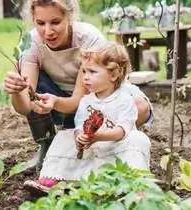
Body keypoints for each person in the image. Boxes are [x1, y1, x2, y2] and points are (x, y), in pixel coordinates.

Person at [3, 0, 153, 170]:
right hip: (61, 102)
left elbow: (79, 100)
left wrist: (57, 102)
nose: (48, 31)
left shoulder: (88, 39)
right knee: (35, 85)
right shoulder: (31, 43)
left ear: (70, 16)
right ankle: (47, 145)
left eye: (55, 22)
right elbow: (25, 107)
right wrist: (16, 91)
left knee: (139, 108)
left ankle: (116, 142)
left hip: (97, 97)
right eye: (40, 23)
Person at [23, 42, 151, 194]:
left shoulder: (124, 99)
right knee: (63, 137)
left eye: (92, 72)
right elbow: (80, 125)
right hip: (92, 144)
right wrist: (79, 137)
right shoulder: (86, 100)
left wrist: (97, 136)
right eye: (83, 71)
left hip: (115, 145)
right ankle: (54, 178)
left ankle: (131, 182)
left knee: (138, 139)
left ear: (114, 74)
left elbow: (121, 131)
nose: (85, 77)